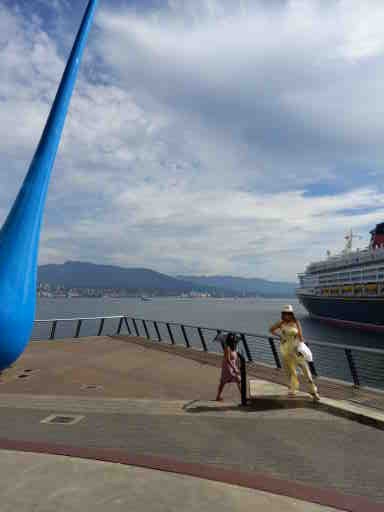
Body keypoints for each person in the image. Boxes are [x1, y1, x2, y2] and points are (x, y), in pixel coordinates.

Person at [270, 305, 320, 401]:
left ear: (291, 314)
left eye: (288, 313)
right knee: (291, 372)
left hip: (297, 349)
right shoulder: (281, 323)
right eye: (284, 313)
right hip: (286, 350)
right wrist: (280, 336)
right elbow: (271, 329)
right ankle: (293, 389)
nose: (286, 315)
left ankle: (314, 392)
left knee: (307, 372)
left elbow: (301, 337)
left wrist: (302, 348)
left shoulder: (296, 322)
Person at [216, 332, 241, 401]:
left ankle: (243, 397)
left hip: (232, 367)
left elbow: (235, 359)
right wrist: (235, 368)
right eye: (233, 339)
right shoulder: (227, 348)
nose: (234, 341)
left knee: (237, 380)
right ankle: (218, 396)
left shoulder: (235, 348)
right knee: (224, 382)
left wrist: (237, 366)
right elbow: (228, 360)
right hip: (227, 368)